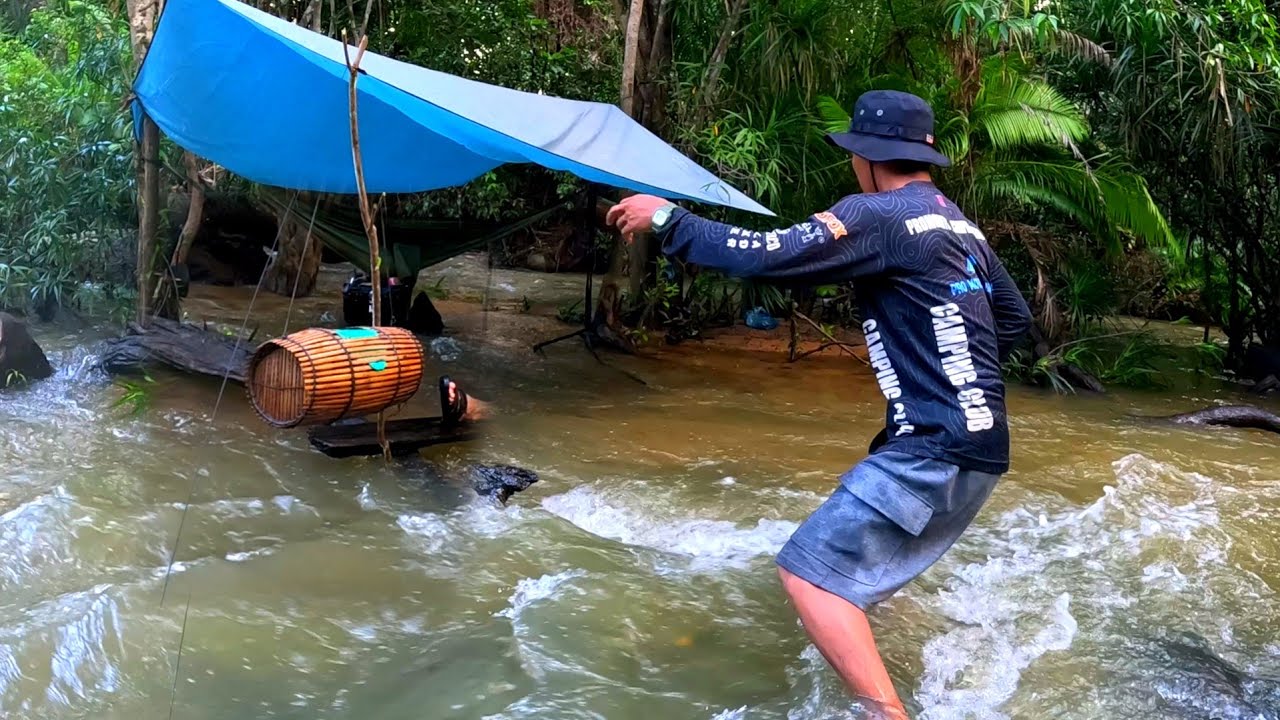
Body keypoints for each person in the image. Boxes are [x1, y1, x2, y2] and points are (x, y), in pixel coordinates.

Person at [605, 90, 1033, 719]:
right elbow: (1015, 322)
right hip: (981, 447)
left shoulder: (876, 214)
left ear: (865, 157)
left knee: (808, 571)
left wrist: (670, 221)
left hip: (931, 446)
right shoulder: (958, 223)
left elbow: (770, 256)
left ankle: (886, 713)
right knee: (862, 586)